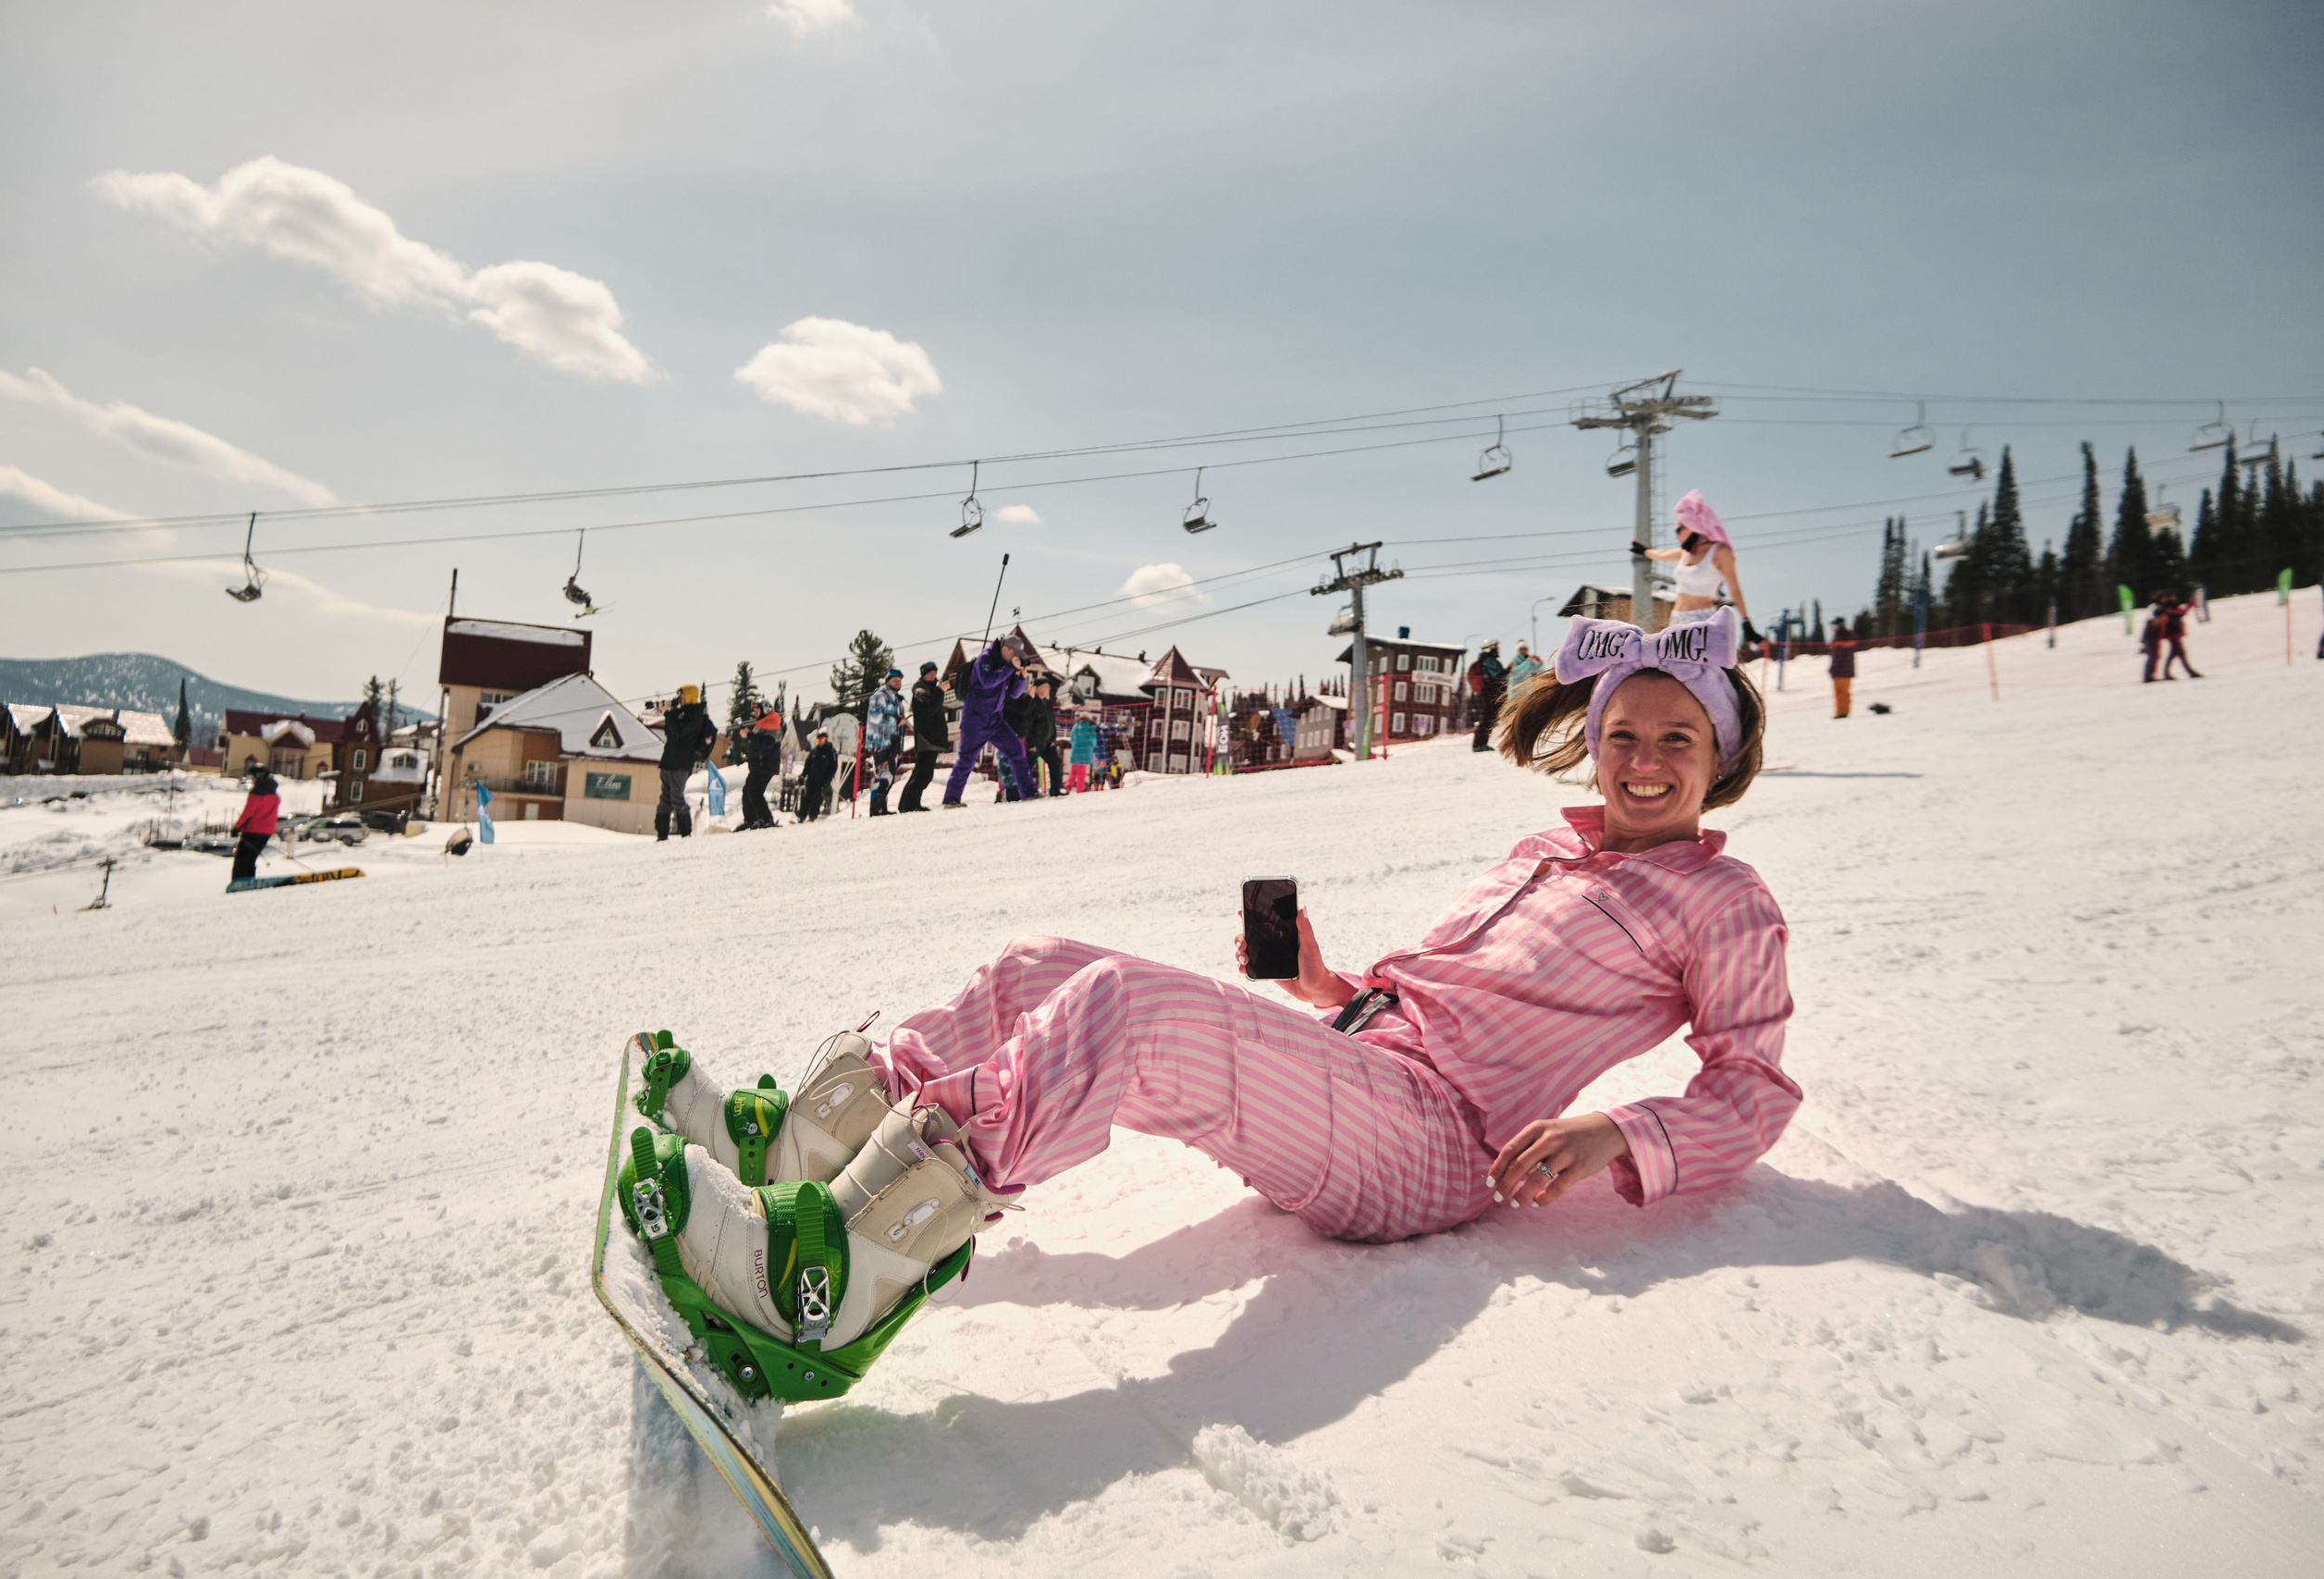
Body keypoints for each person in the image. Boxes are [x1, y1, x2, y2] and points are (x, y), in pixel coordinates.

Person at [619, 604, 1795, 1371]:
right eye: (1626, 736)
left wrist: (1614, 1131)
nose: (1643, 762)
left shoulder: (1722, 903)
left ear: (1723, 759)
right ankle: (810, 1150)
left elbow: (1753, 1089)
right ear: (1593, 742)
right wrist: (1324, 982)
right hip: (1373, 1076)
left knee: (1120, 1008)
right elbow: (1447, 1005)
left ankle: (843, 1280)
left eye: (1676, 742)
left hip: (1438, 1147)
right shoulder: (1546, 852)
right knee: (1040, 967)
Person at [1637, 490, 1764, 645]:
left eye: (1679, 529)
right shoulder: (1686, 552)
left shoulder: (1720, 552)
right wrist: (1643, 551)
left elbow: (1734, 589)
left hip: (1703, 620)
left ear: (1694, 525)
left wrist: (1746, 622)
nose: (1676, 535)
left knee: (1704, 669)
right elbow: (1663, 554)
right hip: (1677, 618)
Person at [941, 637, 1039, 807]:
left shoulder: (1007, 665)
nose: (1016, 657)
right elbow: (987, 681)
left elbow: (1014, 695)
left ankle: (1029, 792)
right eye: (1015, 653)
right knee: (966, 760)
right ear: (1006, 648)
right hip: (975, 719)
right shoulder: (985, 658)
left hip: (995, 719)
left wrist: (1020, 678)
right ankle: (951, 799)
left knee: (1016, 751)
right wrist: (1009, 668)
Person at [657, 685, 718, 841]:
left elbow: (679, 733)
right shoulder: (679, 713)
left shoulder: (695, 715)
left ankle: (686, 833)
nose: (680, 699)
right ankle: (661, 834)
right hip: (669, 761)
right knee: (665, 798)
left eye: (683, 696)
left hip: (681, 763)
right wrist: (670, 713)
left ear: (690, 696)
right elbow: (671, 732)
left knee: (677, 798)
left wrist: (669, 714)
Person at [899, 662, 948, 812]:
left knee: (922, 772)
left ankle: (907, 804)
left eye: (935, 672)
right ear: (923, 674)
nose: (933, 675)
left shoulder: (931, 688)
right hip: (926, 738)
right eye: (929, 673)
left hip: (932, 738)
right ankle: (910, 805)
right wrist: (940, 691)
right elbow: (929, 710)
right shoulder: (921, 690)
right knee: (923, 773)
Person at [866, 670, 906, 816]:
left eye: (900, 680)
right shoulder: (880, 695)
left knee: (889, 775)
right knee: (884, 775)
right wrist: (896, 720)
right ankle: (876, 809)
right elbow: (875, 717)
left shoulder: (896, 698)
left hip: (892, 743)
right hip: (881, 742)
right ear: (887, 680)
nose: (898, 682)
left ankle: (881, 806)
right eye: (895, 679)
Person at [229, 764, 279, 884]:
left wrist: (236, 828)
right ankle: (249, 881)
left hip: (253, 831)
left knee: (241, 858)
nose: (251, 780)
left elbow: (248, 813)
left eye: (252, 777)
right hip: (266, 832)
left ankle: (238, 882)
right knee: (251, 859)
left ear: (259, 777)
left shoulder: (257, 793)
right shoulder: (273, 793)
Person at [1024, 672, 1065, 795]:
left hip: (1047, 743)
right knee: (1028, 767)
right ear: (1037, 688)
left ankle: (1055, 790)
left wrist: (1053, 739)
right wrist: (1030, 743)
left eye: (1048, 688)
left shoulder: (1047, 703)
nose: (1047, 690)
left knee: (1055, 763)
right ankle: (1028, 792)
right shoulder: (1032, 703)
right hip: (1035, 743)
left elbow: (1052, 722)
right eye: (1044, 687)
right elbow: (1028, 724)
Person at [741, 710, 781, 829]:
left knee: (754, 791)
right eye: (754, 710)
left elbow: (766, 744)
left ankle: (766, 819)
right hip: (759, 765)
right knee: (748, 790)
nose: (755, 712)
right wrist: (748, 756)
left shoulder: (772, 723)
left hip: (766, 765)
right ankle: (751, 819)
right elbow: (757, 745)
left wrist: (749, 735)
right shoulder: (761, 724)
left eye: (758, 709)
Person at [1468, 640, 1507, 751]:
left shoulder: (1485, 661)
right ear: (1491, 648)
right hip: (1489, 694)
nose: (1499, 649)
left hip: (1487, 694)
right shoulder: (1489, 661)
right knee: (1487, 719)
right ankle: (1478, 744)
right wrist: (1510, 669)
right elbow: (1500, 675)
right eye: (1497, 647)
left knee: (1489, 719)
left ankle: (1481, 743)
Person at [797, 730, 837, 822]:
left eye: (822, 739)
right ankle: (802, 816)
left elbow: (833, 768)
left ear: (826, 740)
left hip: (822, 779)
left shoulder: (831, 752)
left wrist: (828, 779)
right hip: (812, 778)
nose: (820, 741)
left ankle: (813, 815)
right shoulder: (814, 751)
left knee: (817, 797)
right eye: (818, 739)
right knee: (807, 797)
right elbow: (808, 764)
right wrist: (803, 775)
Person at [2160, 594, 2202, 680]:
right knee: (2178, 654)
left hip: (2174, 635)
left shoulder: (2171, 608)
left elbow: (2181, 611)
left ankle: (2188, 672)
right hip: (2173, 635)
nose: (2175, 599)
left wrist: (2190, 604)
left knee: (2177, 654)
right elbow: (2181, 612)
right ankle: (2189, 672)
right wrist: (2191, 603)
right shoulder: (2170, 609)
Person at [1827, 618, 1857, 719]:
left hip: (1841, 670)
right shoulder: (1844, 636)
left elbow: (1838, 657)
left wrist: (1833, 668)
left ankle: (1842, 712)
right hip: (1845, 670)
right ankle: (1842, 711)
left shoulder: (1841, 637)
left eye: (1834, 626)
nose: (1833, 628)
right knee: (1842, 692)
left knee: (1841, 692)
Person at [1068, 708, 1100, 792]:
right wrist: (1093, 745)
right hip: (1085, 750)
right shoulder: (1089, 726)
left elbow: (1071, 738)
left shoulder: (1075, 726)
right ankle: (1080, 789)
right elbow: (1092, 738)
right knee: (1082, 772)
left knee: (1073, 771)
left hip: (1075, 750)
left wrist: (1074, 744)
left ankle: (1068, 785)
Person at [2140, 602, 2167, 683]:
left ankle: (2150, 675)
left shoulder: (2155, 621)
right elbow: (2147, 634)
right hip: (2151, 641)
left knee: (2154, 658)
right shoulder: (2153, 621)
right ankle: (2148, 676)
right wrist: (2145, 643)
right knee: (2152, 658)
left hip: (2153, 641)